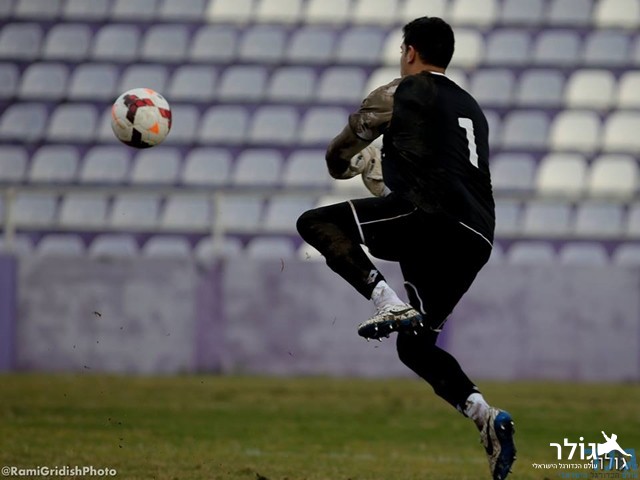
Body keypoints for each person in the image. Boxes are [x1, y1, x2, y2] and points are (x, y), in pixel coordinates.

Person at [296, 16, 516, 480]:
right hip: (475, 236)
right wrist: (383, 175)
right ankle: (486, 418)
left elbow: (339, 153)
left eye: (403, 51)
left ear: (410, 52)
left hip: (430, 219)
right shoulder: (471, 108)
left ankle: (385, 300)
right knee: (415, 347)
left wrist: (352, 162)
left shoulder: (402, 91)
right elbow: (436, 168)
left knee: (316, 222)